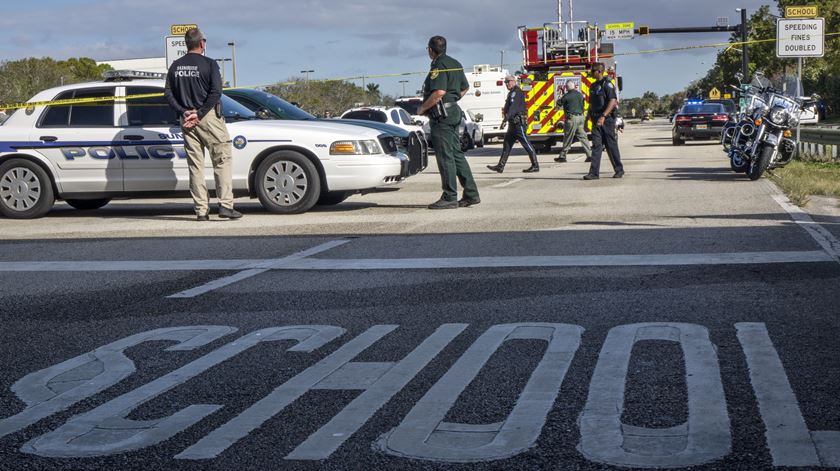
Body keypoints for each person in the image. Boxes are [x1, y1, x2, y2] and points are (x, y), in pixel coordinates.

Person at [164, 27, 242, 221]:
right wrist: (199, 113)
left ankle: (201, 210)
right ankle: (225, 205)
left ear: (186, 44)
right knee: (222, 161)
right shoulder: (209, 64)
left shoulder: (175, 66)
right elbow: (216, 92)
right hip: (207, 117)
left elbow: (168, 94)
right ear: (201, 43)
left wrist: (184, 112)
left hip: (186, 118)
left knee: (195, 166)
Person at [418, 35, 480, 209]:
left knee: (445, 157)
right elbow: (465, 87)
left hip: (442, 116)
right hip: (453, 112)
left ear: (431, 50)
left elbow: (439, 92)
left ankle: (449, 196)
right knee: (456, 154)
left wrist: (422, 108)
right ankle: (471, 194)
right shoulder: (455, 63)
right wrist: (453, 101)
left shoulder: (439, 65)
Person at [486, 75, 539, 173]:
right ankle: (500, 166)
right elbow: (507, 107)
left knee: (526, 144)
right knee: (507, 144)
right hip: (512, 124)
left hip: (518, 124)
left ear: (513, 81)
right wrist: (504, 120)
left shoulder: (517, 92)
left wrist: (505, 119)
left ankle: (535, 165)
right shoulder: (511, 93)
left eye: (508, 82)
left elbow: (513, 109)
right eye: (505, 82)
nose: (506, 84)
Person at [584, 62, 624, 180]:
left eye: (593, 71)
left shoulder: (608, 85)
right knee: (596, 146)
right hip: (595, 120)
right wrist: (587, 119)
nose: (591, 73)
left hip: (606, 120)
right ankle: (594, 173)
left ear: (599, 72)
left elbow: (612, 101)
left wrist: (603, 116)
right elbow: (591, 104)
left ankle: (619, 170)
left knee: (611, 146)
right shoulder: (593, 86)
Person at [554, 80, 592, 163]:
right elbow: (583, 105)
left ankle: (562, 156)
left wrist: (560, 96)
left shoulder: (566, 96)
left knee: (568, 137)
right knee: (583, 137)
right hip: (581, 117)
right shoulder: (580, 95)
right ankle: (589, 155)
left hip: (572, 119)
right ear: (574, 87)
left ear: (566, 88)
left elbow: (557, 106)